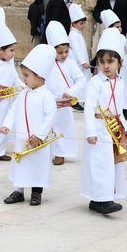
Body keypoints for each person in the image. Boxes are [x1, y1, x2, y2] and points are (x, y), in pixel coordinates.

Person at [1, 44, 58, 206]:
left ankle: (36, 192)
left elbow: (50, 117)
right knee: (20, 165)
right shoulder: (23, 93)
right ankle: (18, 191)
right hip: (21, 140)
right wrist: (7, 125)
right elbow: (13, 110)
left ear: (39, 76)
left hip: (37, 141)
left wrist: (39, 135)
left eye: (26, 75)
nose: (23, 79)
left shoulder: (46, 96)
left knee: (37, 166)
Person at [82, 28, 127, 215]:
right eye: (102, 62)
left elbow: (119, 109)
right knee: (100, 164)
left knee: (114, 163)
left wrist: (125, 127)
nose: (106, 66)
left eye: (111, 61)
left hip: (115, 128)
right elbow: (89, 108)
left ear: (120, 62)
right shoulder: (95, 82)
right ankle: (102, 200)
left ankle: (103, 197)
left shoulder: (121, 82)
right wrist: (91, 132)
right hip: (100, 128)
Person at [42, 21, 88, 165]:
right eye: (60, 52)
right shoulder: (46, 62)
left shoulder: (70, 63)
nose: (64, 55)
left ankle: (61, 153)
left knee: (63, 128)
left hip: (64, 103)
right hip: (48, 100)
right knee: (48, 127)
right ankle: (45, 152)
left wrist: (70, 92)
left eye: (66, 52)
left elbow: (81, 79)